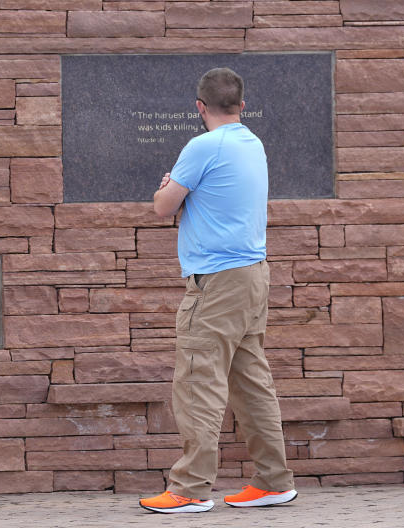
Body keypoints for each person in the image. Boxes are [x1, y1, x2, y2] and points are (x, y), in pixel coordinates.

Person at [139, 67, 297, 514]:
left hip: (218, 281)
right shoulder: (252, 142)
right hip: (253, 275)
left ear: (199, 107)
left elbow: (161, 207)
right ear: (242, 106)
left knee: (197, 380)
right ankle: (273, 481)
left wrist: (170, 185)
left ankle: (189, 489)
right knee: (251, 383)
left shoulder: (202, 146)